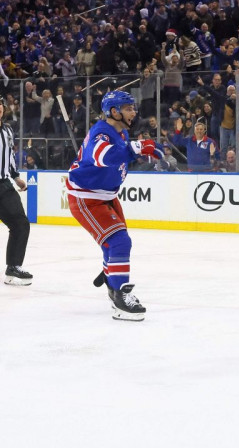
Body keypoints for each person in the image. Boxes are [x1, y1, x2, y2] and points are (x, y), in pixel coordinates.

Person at [66, 91, 165, 321]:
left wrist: (138, 148)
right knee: (120, 241)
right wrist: (139, 148)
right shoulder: (101, 133)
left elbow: (121, 153)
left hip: (105, 195)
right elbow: (103, 157)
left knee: (115, 243)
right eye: (129, 108)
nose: (134, 112)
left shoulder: (119, 132)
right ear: (114, 111)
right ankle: (120, 297)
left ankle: (112, 280)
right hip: (87, 197)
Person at [0, 98, 32, 286]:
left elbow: (9, 156)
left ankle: (13, 267)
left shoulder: (8, 130)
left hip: (3, 184)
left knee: (20, 224)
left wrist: (16, 176)